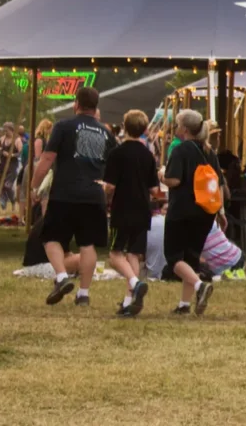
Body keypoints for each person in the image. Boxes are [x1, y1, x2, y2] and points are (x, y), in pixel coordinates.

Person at [30, 87, 118, 307]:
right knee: (87, 244)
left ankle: (61, 277)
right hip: (93, 194)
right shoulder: (106, 133)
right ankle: (84, 294)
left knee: (50, 237)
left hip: (65, 193)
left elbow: (48, 158)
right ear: (96, 107)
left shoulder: (63, 126)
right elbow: (112, 168)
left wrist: (34, 187)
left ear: (76, 104)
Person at [159, 110, 222, 315]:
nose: (176, 129)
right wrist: (220, 211)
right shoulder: (209, 151)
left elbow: (174, 180)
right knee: (191, 258)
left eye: (178, 125)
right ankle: (184, 305)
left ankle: (199, 286)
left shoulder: (180, 149)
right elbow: (218, 182)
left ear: (185, 129)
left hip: (182, 210)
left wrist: (161, 175)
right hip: (205, 211)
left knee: (174, 258)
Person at [101, 109, 159, 317]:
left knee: (115, 255)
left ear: (125, 127)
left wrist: (102, 188)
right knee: (133, 254)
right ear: (144, 129)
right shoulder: (148, 155)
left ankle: (135, 283)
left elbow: (110, 187)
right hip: (142, 209)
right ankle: (129, 302)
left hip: (122, 209)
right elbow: (154, 189)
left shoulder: (117, 153)